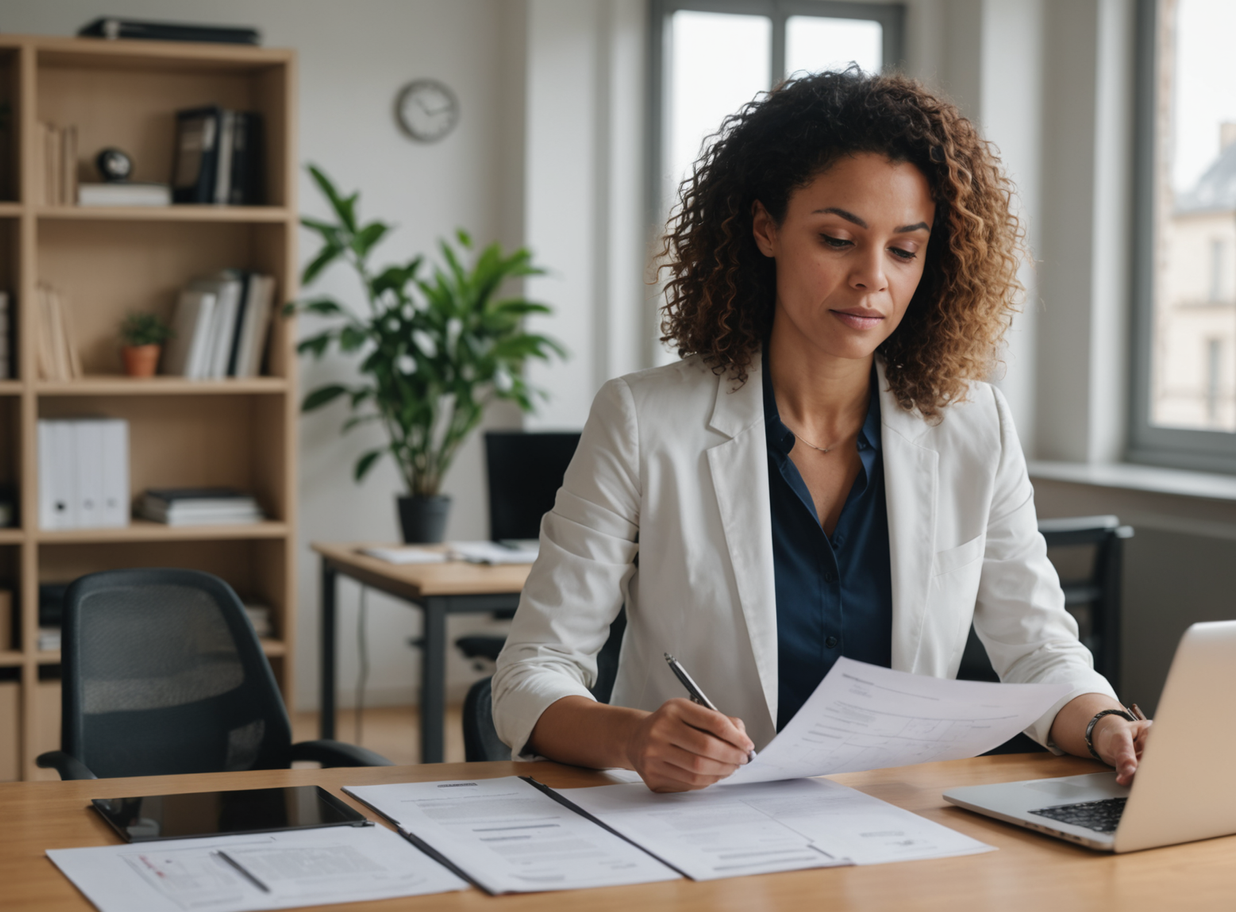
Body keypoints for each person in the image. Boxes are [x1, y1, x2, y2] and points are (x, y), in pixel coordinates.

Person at [492, 69, 1149, 792]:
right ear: (766, 228)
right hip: (699, 836)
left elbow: (1040, 653)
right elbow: (531, 673)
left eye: (904, 250)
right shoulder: (643, 420)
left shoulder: (974, 424)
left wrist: (1104, 724)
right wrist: (637, 737)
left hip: (898, 833)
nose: (873, 278)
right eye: (838, 239)